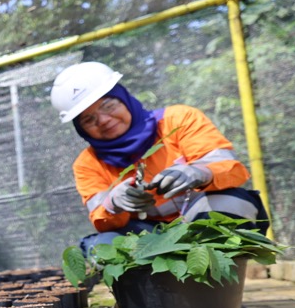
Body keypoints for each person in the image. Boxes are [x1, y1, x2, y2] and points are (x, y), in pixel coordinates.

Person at [50, 61, 267, 258]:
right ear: (81, 129)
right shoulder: (87, 163)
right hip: (146, 236)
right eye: (89, 119)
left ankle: (217, 282)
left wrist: (200, 173)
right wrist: (113, 202)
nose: (104, 120)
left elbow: (233, 170)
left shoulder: (179, 119)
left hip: (198, 220)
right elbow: (102, 220)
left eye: (108, 106)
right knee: (102, 248)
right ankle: (154, 296)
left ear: (124, 98)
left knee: (233, 204)